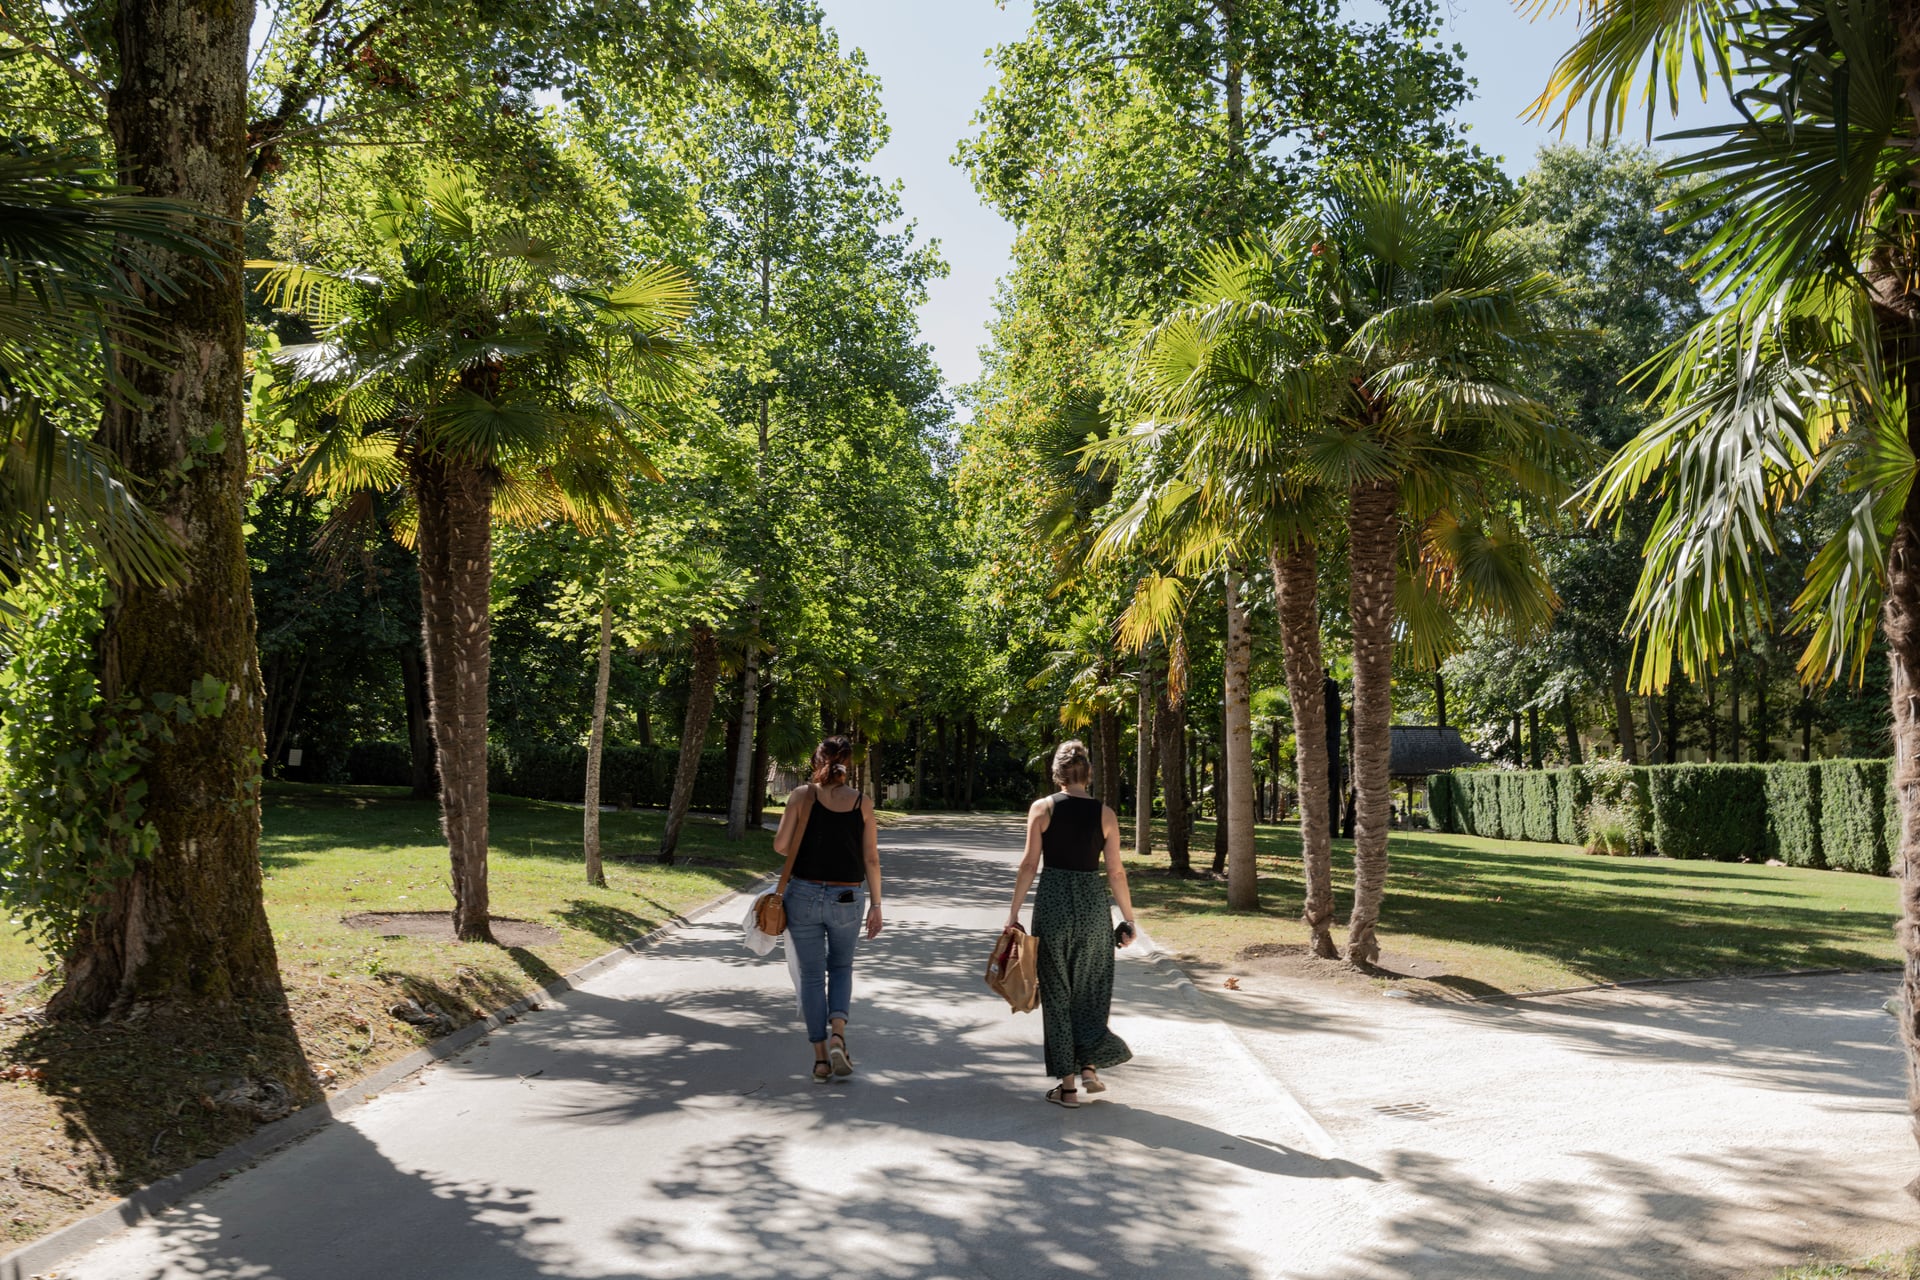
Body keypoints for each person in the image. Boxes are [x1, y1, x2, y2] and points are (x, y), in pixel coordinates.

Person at [1004, 739, 1138, 1108]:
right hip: (1093, 908)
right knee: (1090, 992)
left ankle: (1068, 1088)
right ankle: (1089, 1067)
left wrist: (1013, 914)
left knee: (1058, 996)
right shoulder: (1105, 814)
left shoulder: (1042, 808)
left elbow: (1029, 864)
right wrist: (1128, 919)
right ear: (1088, 774)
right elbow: (1116, 872)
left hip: (1054, 907)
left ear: (1057, 774)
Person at [773, 735, 883, 1082]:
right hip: (847, 897)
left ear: (816, 760)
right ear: (847, 763)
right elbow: (871, 859)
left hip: (802, 894)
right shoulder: (862, 802)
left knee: (810, 975)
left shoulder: (801, 796)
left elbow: (780, 846)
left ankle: (821, 1060)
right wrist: (877, 905)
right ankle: (838, 1034)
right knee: (841, 967)